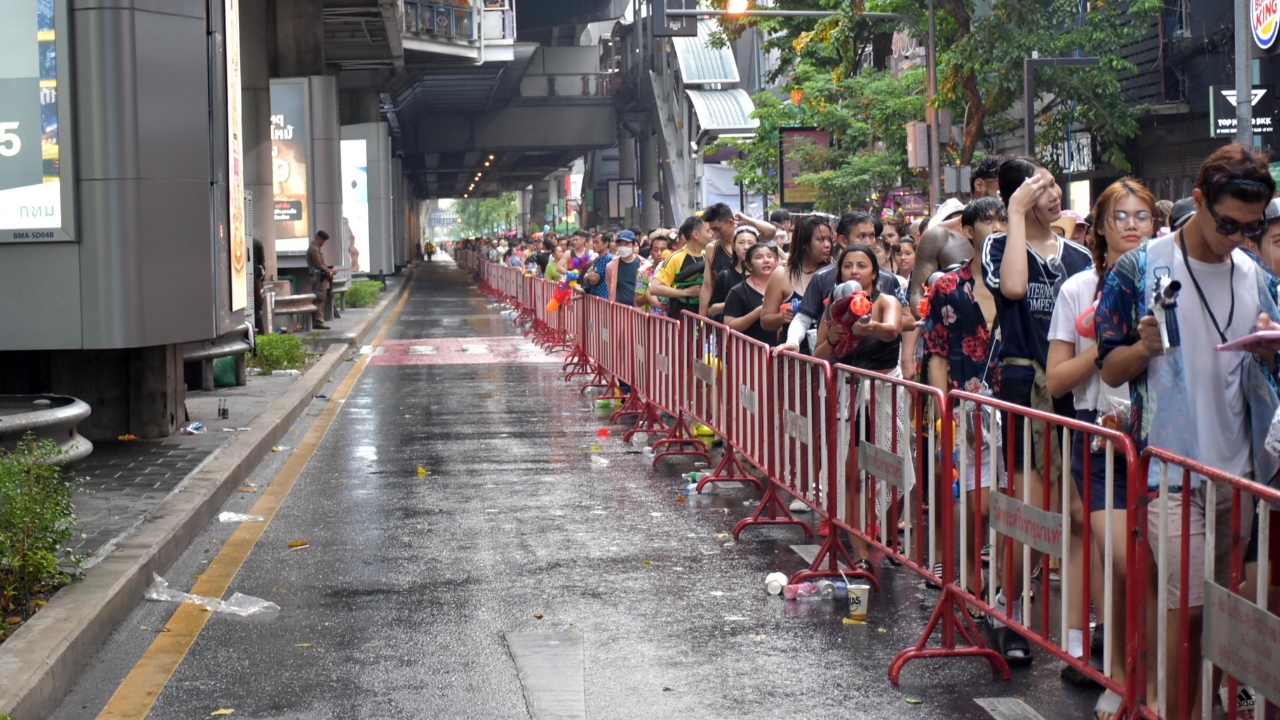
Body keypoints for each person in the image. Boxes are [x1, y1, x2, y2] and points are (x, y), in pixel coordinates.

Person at [1097, 144, 1280, 720]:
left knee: (1223, 612)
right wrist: (1142, 348)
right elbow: (1108, 366)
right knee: (1191, 609)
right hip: (1170, 470)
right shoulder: (1140, 267)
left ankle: (1210, 702)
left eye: (1249, 229)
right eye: (1227, 223)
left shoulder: (1256, 274)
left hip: (1240, 472)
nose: (1236, 238)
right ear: (1198, 200)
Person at [980, 156, 1093, 666]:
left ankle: (1074, 630)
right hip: (1024, 388)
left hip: (1072, 392)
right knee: (1027, 508)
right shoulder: (999, 245)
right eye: (1038, 187)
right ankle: (1009, 609)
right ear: (1015, 196)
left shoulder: (1078, 257)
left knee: (1074, 513)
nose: (1051, 194)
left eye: (1054, 185)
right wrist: (1016, 217)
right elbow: (1015, 291)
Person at [1046, 177, 1154, 692]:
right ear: (1099, 231)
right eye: (1121, 217)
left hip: (1161, 436)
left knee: (1152, 567)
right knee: (1121, 559)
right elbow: (1057, 380)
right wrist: (1109, 343)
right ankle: (1119, 673)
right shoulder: (1076, 289)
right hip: (1099, 437)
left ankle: (1137, 676)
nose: (1132, 226)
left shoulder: (1169, 279)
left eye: (1142, 216)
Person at [921, 197, 1007, 594]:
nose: (998, 225)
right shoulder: (946, 286)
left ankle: (1009, 585)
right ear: (968, 232)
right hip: (969, 408)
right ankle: (973, 578)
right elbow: (937, 352)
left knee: (1014, 504)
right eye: (988, 220)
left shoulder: (1024, 283)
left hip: (1022, 406)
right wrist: (942, 411)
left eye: (1003, 219)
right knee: (979, 505)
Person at [812, 244, 904, 563]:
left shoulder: (886, 301)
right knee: (853, 476)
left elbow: (893, 330)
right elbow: (818, 354)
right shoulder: (832, 308)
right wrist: (834, 339)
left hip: (887, 397)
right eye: (848, 265)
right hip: (850, 397)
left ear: (874, 273)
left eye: (862, 265)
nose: (854, 271)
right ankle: (861, 553)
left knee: (894, 471)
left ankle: (891, 540)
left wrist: (871, 327)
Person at [762, 216, 833, 347]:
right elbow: (765, 321)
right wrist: (781, 317)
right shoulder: (782, 274)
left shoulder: (835, 272)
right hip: (793, 357)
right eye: (821, 240)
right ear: (804, 243)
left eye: (829, 239)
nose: (827, 244)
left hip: (826, 355)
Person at [649, 215, 711, 319]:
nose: (711, 235)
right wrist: (685, 292)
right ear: (696, 234)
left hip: (705, 318)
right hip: (681, 318)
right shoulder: (676, 258)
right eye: (708, 231)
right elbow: (654, 288)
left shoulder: (709, 255)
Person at [723, 243, 780, 345]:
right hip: (749, 353)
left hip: (778, 352)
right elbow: (729, 325)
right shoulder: (738, 292)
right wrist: (758, 312)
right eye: (759, 257)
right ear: (749, 265)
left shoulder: (782, 286)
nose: (766, 260)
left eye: (770, 256)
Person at [706, 227, 758, 322]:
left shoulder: (764, 276)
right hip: (730, 332)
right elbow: (711, 310)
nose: (746, 247)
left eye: (750, 243)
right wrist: (735, 301)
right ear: (733, 246)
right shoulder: (725, 276)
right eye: (741, 243)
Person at [605, 231, 643, 305]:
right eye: (620, 244)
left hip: (639, 310)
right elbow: (610, 288)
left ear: (633, 245)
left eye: (626, 244)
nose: (623, 247)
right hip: (620, 310)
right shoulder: (610, 266)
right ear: (616, 245)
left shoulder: (643, 265)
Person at [307, 230, 334, 330]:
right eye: (323, 241)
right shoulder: (314, 249)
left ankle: (318, 320)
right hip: (318, 278)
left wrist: (329, 270)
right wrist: (328, 270)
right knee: (319, 299)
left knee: (321, 298)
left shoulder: (316, 248)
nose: (323, 243)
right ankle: (318, 321)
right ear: (318, 238)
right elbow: (319, 264)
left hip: (319, 278)